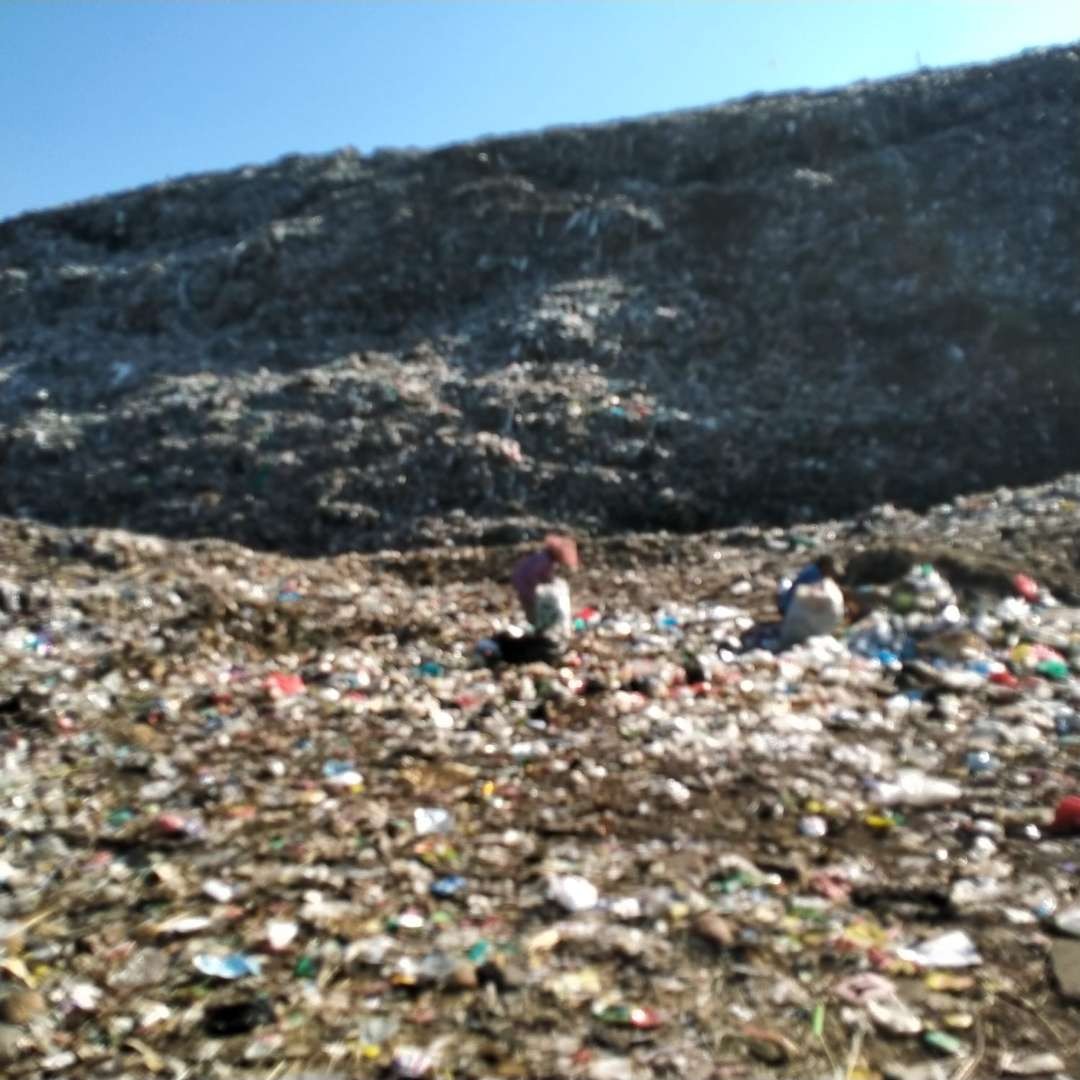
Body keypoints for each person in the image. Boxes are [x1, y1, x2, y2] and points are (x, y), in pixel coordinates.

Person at [511, 535, 579, 626]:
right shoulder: (544, 561)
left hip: (521, 579)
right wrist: (536, 589)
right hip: (524, 583)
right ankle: (534, 625)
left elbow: (543, 575)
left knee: (531, 605)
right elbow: (533, 575)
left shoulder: (544, 557)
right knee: (530, 605)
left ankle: (535, 623)